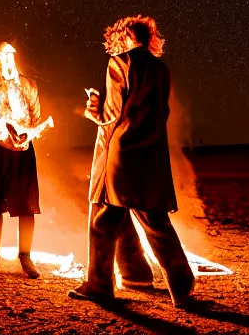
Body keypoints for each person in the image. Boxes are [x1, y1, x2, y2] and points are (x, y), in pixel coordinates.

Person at [69, 15, 195, 306]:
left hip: (121, 155)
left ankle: (99, 286)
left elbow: (112, 116)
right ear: (148, 37)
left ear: (125, 35)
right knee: (155, 222)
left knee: (102, 221)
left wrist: (93, 113)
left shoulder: (120, 63)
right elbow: (160, 113)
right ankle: (180, 286)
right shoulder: (161, 69)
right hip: (151, 156)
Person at [0, 43, 52, 279]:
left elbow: (36, 116)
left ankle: (26, 257)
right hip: (1, 150)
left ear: (15, 59)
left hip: (25, 152)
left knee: (27, 208)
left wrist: (27, 133)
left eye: (11, 56)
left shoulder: (30, 85)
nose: (8, 60)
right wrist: (6, 132)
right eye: (4, 57)